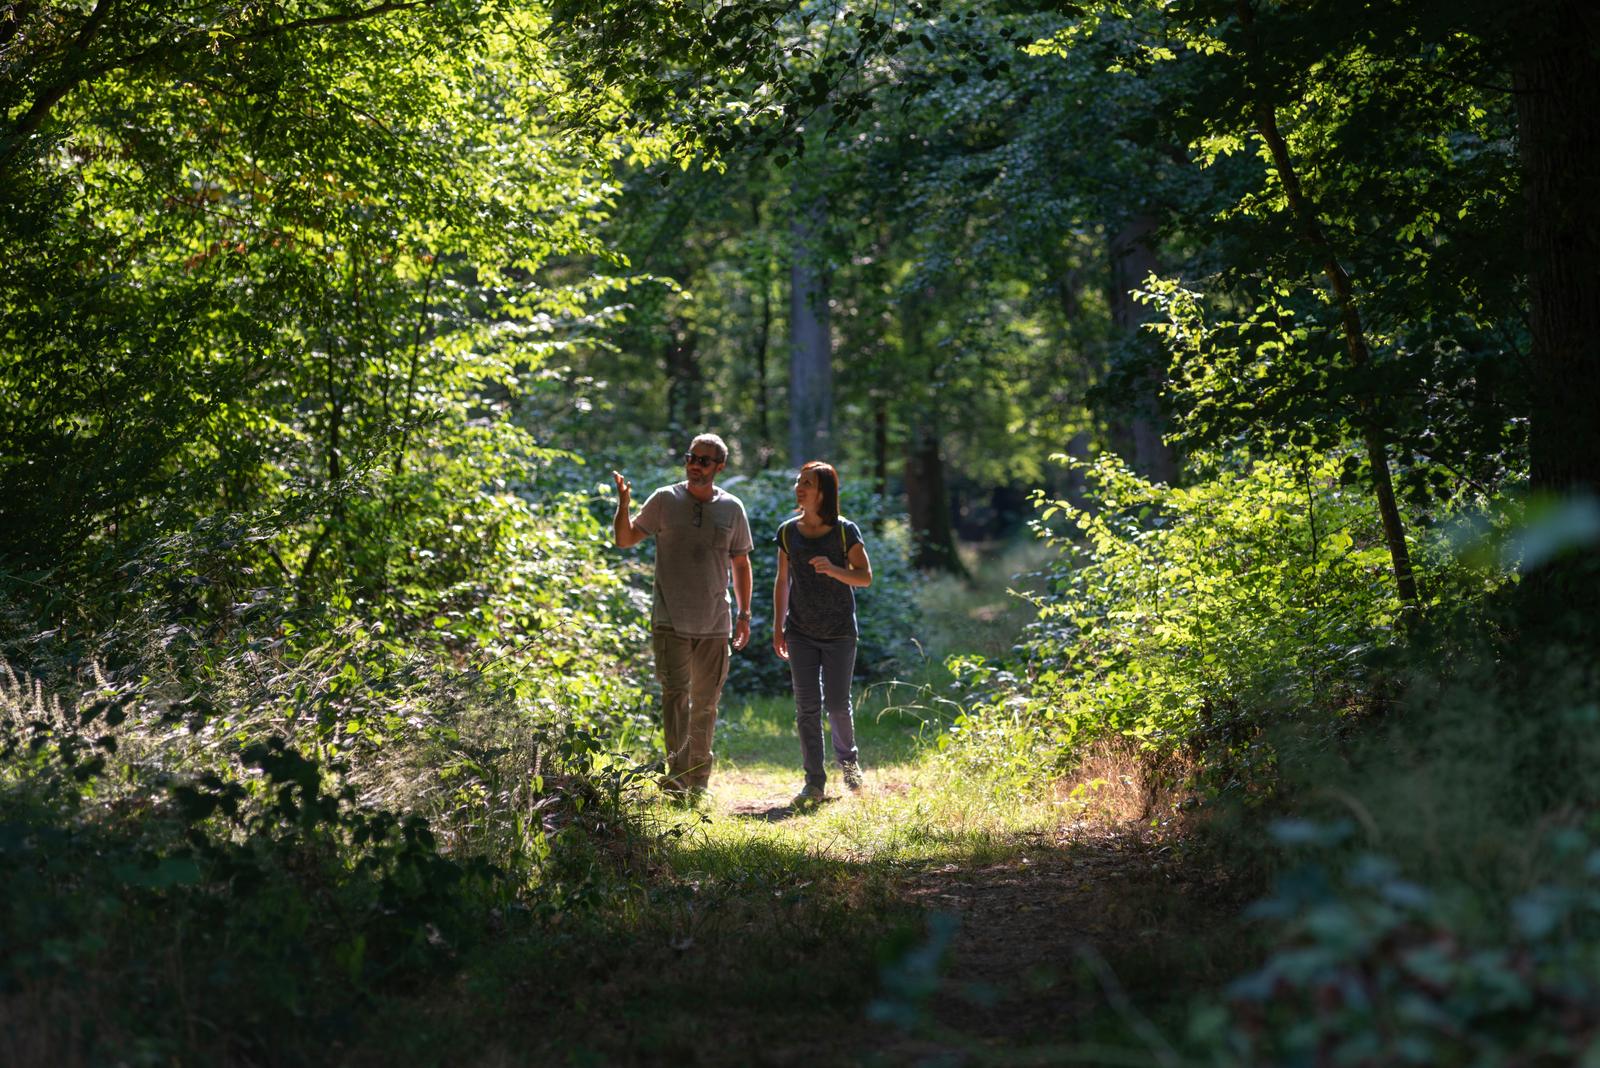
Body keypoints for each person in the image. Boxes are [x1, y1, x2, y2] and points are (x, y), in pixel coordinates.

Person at [613, 434, 753, 799]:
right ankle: (677, 779)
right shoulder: (664, 499)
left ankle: (699, 781)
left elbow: (740, 561)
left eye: (704, 460)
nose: (695, 464)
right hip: (670, 619)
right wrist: (624, 505)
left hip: (715, 621)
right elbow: (626, 540)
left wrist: (744, 613)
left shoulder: (732, 508)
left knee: (705, 703)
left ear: (719, 467)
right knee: (675, 699)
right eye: (692, 457)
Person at [771, 461, 872, 806]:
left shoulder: (845, 531)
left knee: (837, 705)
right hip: (799, 630)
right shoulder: (788, 532)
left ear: (824, 491)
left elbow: (864, 576)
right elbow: (782, 580)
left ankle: (850, 766)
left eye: (808, 483)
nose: (800, 488)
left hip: (840, 631)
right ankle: (814, 782)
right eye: (798, 482)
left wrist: (833, 569)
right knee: (806, 709)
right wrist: (777, 626)